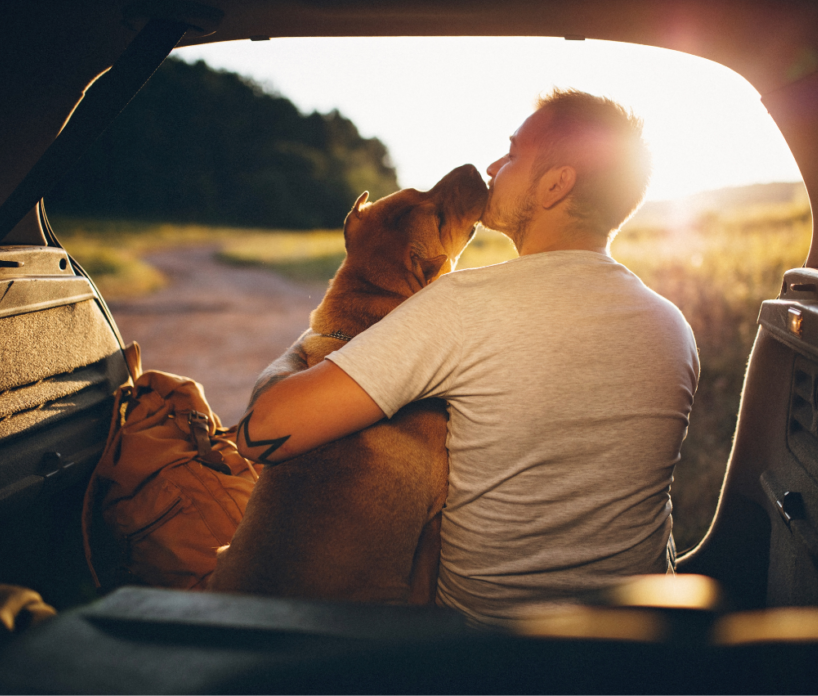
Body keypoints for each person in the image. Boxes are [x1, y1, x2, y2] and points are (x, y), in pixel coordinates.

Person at [237, 88, 700, 627]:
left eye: (512, 155)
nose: (492, 166)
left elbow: (259, 433)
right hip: (636, 644)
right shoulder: (673, 325)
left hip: (486, 650)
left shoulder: (461, 306)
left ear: (556, 183)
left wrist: (307, 349)